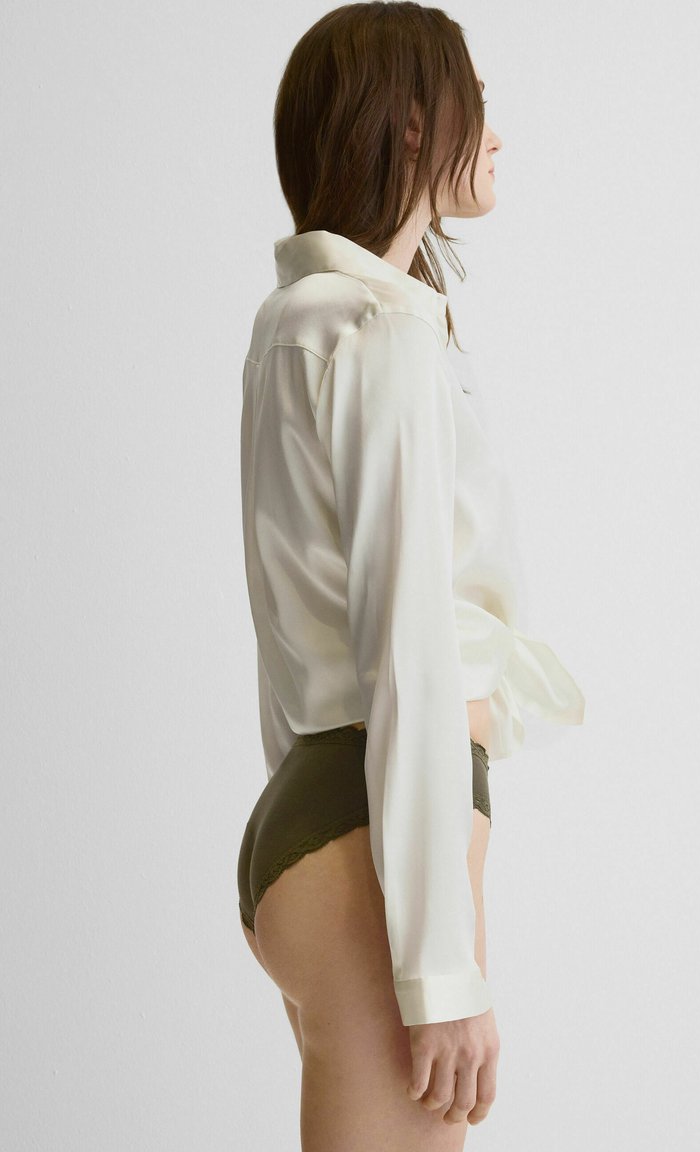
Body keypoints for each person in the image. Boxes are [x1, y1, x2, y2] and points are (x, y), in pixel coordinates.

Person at [235, 3, 585, 1148]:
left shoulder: (297, 322)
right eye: (474, 102)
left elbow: (291, 629)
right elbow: (409, 647)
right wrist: (441, 976)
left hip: (323, 817)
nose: (496, 132)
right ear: (411, 125)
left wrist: (307, 813)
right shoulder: (377, 330)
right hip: (365, 846)